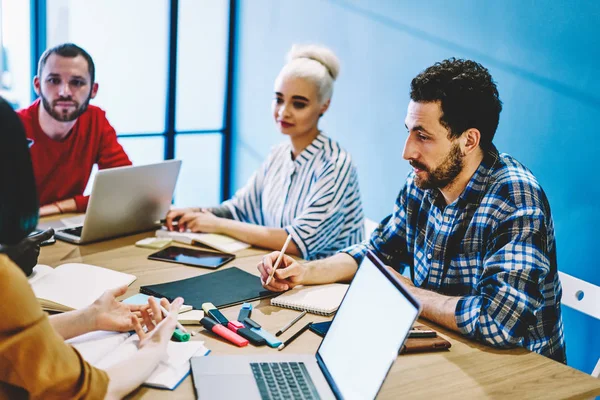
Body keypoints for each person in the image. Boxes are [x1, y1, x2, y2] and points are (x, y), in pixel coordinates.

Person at [257, 58, 566, 363]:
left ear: (469, 140)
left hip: (519, 376)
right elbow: (376, 253)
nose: (407, 152)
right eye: (409, 131)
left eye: (423, 136)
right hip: (448, 354)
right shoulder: (424, 182)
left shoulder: (514, 196)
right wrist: (303, 271)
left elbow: (498, 323)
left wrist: (409, 294)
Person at [0, 96, 181, 398]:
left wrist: (88, 318)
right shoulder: (5, 280)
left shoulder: (94, 121)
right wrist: (154, 349)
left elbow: (10, 339)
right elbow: (91, 392)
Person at [165, 45, 364, 260]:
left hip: (330, 286)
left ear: (324, 106)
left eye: (298, 104)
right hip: (280, 275)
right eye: (278, 99)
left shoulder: (335, 164)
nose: (283, 112)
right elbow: (239, 210)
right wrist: (196, 213)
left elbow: (297, 243)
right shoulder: (278, 155)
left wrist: (217, 224)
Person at [17, 43, 131, 217]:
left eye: (76, 83)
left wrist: (58, 207)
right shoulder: (11, 127)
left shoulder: (96, 121)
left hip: (62, 224)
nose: (65, 92)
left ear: (93, 90)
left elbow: (125, 189)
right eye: (54, 81)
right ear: (38, 85)